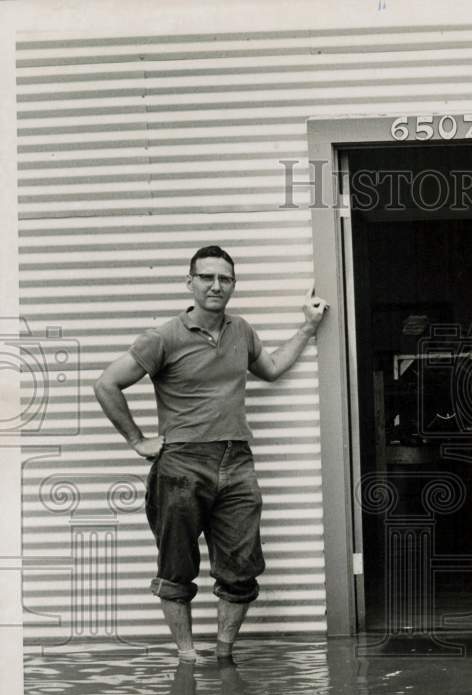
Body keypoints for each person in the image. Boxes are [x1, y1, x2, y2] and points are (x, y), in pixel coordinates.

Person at [94, 245, 328, 661]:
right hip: (182, 464)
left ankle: (224, 655)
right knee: (176, 567)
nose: (216, 285)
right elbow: (106, 384)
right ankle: (186, 657)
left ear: (233, 285)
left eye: (225, 279)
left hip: (237, 461)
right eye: (207, 277)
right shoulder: (163, 337)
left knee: (241, 567)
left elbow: (271, 368)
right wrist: (137, 440)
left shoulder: (241, 330)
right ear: (190, 282)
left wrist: (308, 328)